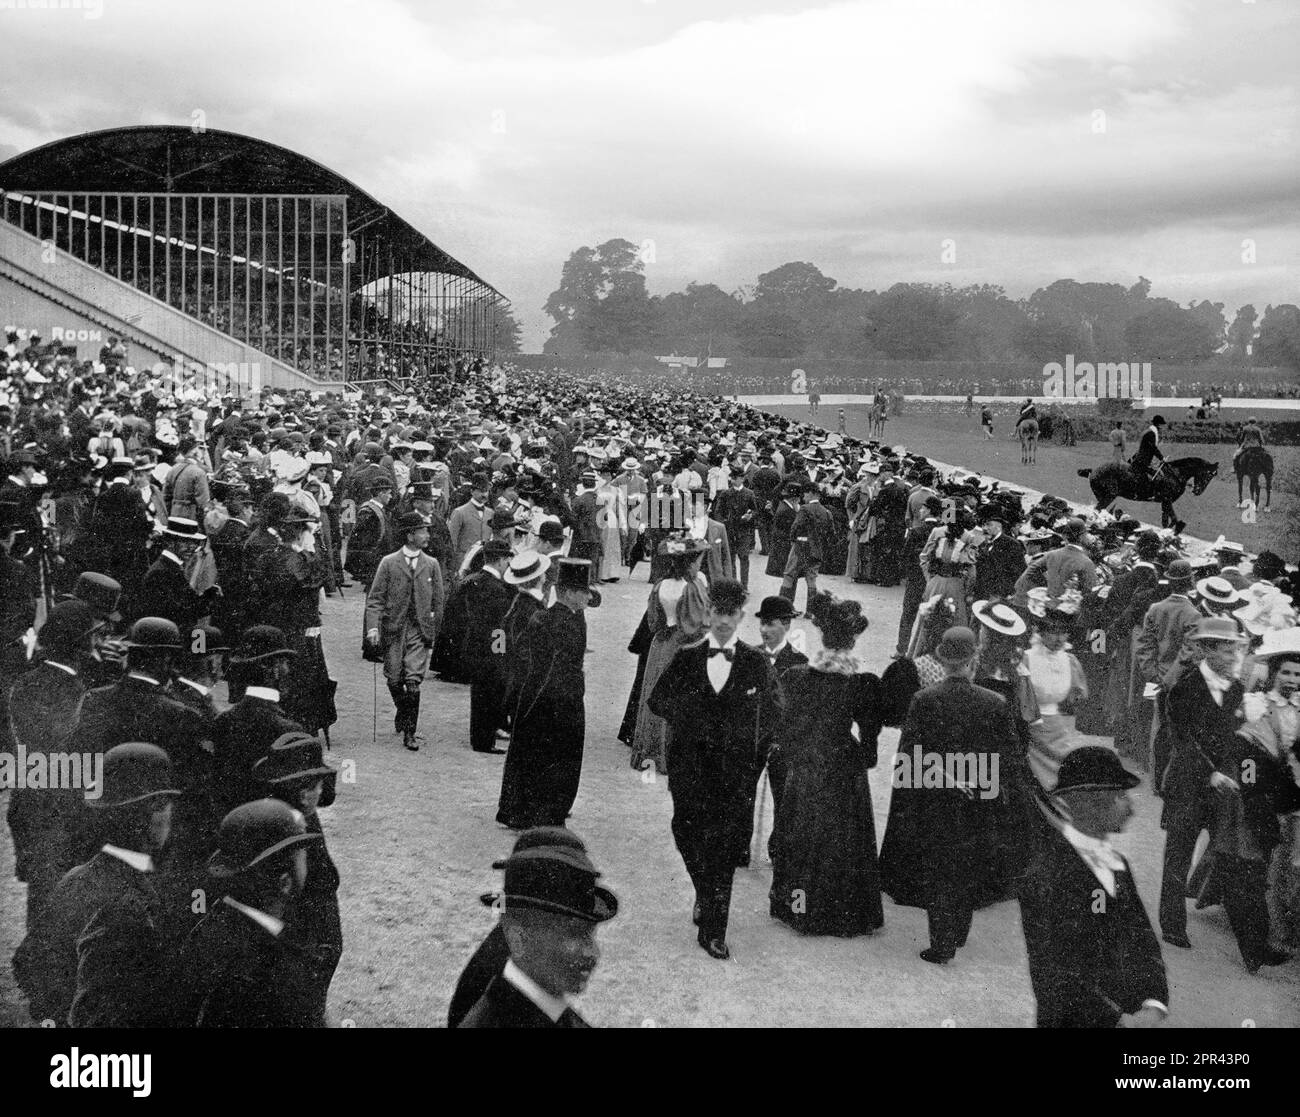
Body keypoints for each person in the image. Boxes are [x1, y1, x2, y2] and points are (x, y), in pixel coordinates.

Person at [648, 578, 783, 959]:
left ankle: (713, 929)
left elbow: (776, 711)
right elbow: (658, 701)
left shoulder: (757, 662)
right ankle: (703, 892)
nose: (723, 620)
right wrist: (691, 716)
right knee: (685, 832)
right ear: (708, 613)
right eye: (717, 612)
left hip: (735, 773)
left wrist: (755, 748)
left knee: (724, 849)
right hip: (690, 766)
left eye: (731, 614)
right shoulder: (688, 656)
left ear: (740, 617)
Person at [769, 593, 917, 937]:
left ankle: (798, 908)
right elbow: (869, 733)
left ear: (822, 637)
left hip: (806, 762)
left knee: (803, 834)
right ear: (852, 641)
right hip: (841, 764)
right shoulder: (860, 683)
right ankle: (841, 912)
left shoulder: (797, 675)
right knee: (841, 840)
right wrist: (866, 756)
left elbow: (787, 724)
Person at [878, 626, 1021, 964]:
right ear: (973, 661)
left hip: (936, 798)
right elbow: (1010, 758)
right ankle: (958, 930)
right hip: (978, 797)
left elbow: (909, 756)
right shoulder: (995, 703)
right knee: (968, 865)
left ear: (942, 661)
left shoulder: (924, 700)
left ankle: (942, 941)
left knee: (942, 867)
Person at [14, 743, 181, 1027]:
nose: (170, 815)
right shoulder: (133, 899)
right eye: (164, 804)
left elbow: (27, 963)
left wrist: (55, 1014)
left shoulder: (77, 877)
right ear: (143, 816)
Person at [1019, 746, 1169, 1028]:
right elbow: (1052, 971)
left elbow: (1141, 937)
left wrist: (1153, 1002)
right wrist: (1115, 1020)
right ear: (1092, 803)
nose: (1133, 808)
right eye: (1121, 797)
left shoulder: (1118, 864)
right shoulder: (1047, 871)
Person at [175, 799, 328, 1027]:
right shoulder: (279, 974)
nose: (308, 863)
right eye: (301, 856)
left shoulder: (208, 929)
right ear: (284, 882)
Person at [5, 600, 103, 930]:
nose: (98, 643)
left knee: (43, 903)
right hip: (63, 813)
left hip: (33, 807)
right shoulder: (79, 692)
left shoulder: (27, 683)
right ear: (78, 644)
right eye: (92, 637)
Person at [459, 827, 618, 1028]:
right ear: (518, 938)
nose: (593, 953)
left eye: (590, 934)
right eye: (574, 934)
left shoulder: (539, 1006)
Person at [1158, 616, 1246, 950]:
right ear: (1207, 649)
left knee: (1231, 851)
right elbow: (1183, 742)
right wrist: (1211, 773)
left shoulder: (1236, 690)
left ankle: (1248, 935)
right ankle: (1172, 924)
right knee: (1178, 854)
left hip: (1223, 786)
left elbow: (1236, 740)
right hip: (1188, 784)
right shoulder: (1184, 687)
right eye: (1225, 650)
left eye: (1234, 649)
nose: (1232, 657)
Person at [497, 559, 597, 829]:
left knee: (546, 756)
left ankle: (538, 809)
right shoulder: (556, 621)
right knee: (554, 757)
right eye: (583, 591)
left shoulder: (568, 616)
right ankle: (544, 811)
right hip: (554, 699)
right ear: (567, 593)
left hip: (553, 696)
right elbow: (550, 666)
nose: (588, 596)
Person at [253, 732, 342, 1019]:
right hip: (309, 923)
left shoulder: (281, 812)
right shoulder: (294, 827)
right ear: (304, 793)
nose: (321, 791)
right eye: (317, 785)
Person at [364, 512, 445, 751]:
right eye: (423, 531)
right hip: (393, 628)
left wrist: (433, 632)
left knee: (413, 680)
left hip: (419, 630)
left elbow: (438, 602)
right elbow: (375, 599)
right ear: (410, 535)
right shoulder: (389, 563)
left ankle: (410, 732)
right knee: (393, 677)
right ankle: (403, 710)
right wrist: (372, 628)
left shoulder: (431, 565)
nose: (427, 535)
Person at [629, 537, 710, 775]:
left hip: (660, 645)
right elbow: (696, 626)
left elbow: (654, 621)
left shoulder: (660, 585)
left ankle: (650, 751)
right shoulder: (692, 587)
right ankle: (673, 753)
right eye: (698, 561)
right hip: (681, 645)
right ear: (689, 562)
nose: (699, 566)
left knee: (655, 694)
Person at [1022, 605, 1090, 790]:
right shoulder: (1027, 658)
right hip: (1031, 727)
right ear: (1041, 633)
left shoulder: (1069, 661)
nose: (1060, 638)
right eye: (1053, 632)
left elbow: (1077, 697)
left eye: (1064, 633)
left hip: (1059, 726)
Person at [463, 538, 517, 754]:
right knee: (489, 695)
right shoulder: (497, 589)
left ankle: (481, 738)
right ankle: (484, 742)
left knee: (479, 695)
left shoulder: (475, 580)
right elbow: (497, 627)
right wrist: (501, 652)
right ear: (501, 561)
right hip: (490, 650)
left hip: (475, 646)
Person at [134, 516, 219, 630]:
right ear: (169, 542)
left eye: (194, 542)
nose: (192, 547)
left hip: (175, 634)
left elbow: (191, 605)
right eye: (185, 542)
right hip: (167, 638)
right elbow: (178, 612)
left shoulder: (171, 567)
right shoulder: (161, 572)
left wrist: (210, 594)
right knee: (205, 639)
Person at [779, 482, 831, 610]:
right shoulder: (826, 512)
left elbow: (795, 526)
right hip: (817, 549)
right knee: (811, 579)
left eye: (805, 494)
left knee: (789, 575)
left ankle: (782, 607)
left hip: (800, 546)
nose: (803, 497)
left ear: (811, 493)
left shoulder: (804, 509)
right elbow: (831, 533)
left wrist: (792, 539)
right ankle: (811, 611)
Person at [713, 471, 758, 589]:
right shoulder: (725, 494)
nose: (733, 480)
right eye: (732, 478)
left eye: (735, 478)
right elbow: (718, 512)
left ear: (742, 479)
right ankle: (733, 585)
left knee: (744, 558)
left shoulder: (749, 494)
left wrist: (750, 516)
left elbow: (755, 510)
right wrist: (722, 524)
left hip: (744, 531)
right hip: (729, 530)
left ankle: (744, 586)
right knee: (730, 558)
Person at [1129, 414, 1167, 486]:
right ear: (1158, 425)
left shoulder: (1149, 432)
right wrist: (1162, 458)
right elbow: (1153, 448)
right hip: (1143, 460)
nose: (1162, 427)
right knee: (1156, 477)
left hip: (1141, 458)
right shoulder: (1151, 434)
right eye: (1162, 425)